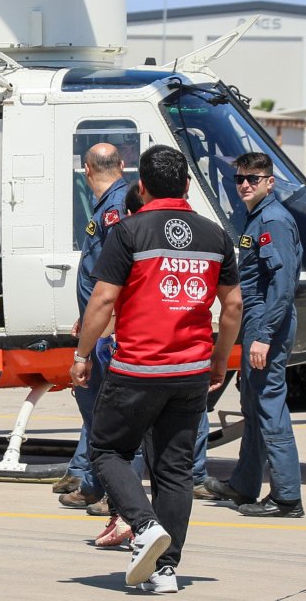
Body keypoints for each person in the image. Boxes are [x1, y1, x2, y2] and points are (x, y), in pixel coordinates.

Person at [72, 145, 242, 593]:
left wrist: (82, 354)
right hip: (190, 372)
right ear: (187, 186)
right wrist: (219, 360)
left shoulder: (129, 231)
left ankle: (144, 526)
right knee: (174, 470)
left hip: (138, 369)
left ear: (141, 188)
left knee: (106, 450)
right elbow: (233, 305)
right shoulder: (215, 235)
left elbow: (104, 299)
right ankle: (165, 570)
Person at [204, 152, 304, 518]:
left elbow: (282, 285)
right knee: (253, 403)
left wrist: (263, 335)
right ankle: (244, 484)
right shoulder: (256, 218)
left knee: (269, 406)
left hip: (268, 325)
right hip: (258, 322)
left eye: (254, 179)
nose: (245, 184)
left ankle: (287, 497)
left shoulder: (273, 222)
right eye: (240, 179)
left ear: (270, 182)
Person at [58, 144, 129, 511]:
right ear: (121, 164)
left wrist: (101, 324)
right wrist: (87, 318)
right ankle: (94, 484)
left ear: (86, 170)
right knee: (97, 413)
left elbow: (115, 276)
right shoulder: (109, 205)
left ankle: (113, 494)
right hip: (97, 322)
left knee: (106, 415)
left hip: (107, 331)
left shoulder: (114, 208)